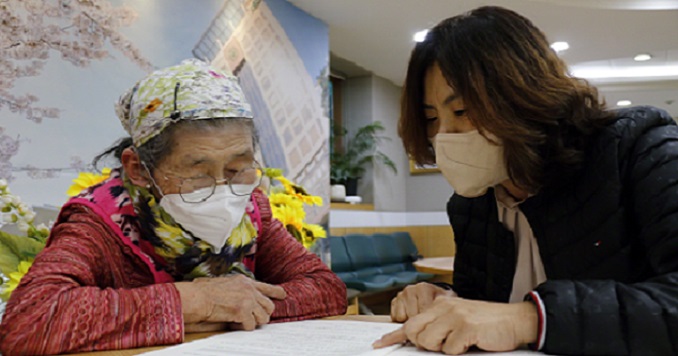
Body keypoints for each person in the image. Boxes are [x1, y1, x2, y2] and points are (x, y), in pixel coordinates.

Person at [373, 6, 678, 356]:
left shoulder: (639, 148)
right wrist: (447, 299)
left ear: (523, 94)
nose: (444, 135)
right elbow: (485, 308)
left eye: (462, 111)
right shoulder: (471, 205)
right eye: (430, 118)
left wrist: (528, 319)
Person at [0, 59, 346, 355]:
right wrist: (197, 302)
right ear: (138, 169)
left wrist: (238, 304)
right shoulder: (99, 221)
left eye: (237, 168)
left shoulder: (252, 210)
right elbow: (29, 321)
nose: (224, 191)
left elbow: (325, 288)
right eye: (197, 174)